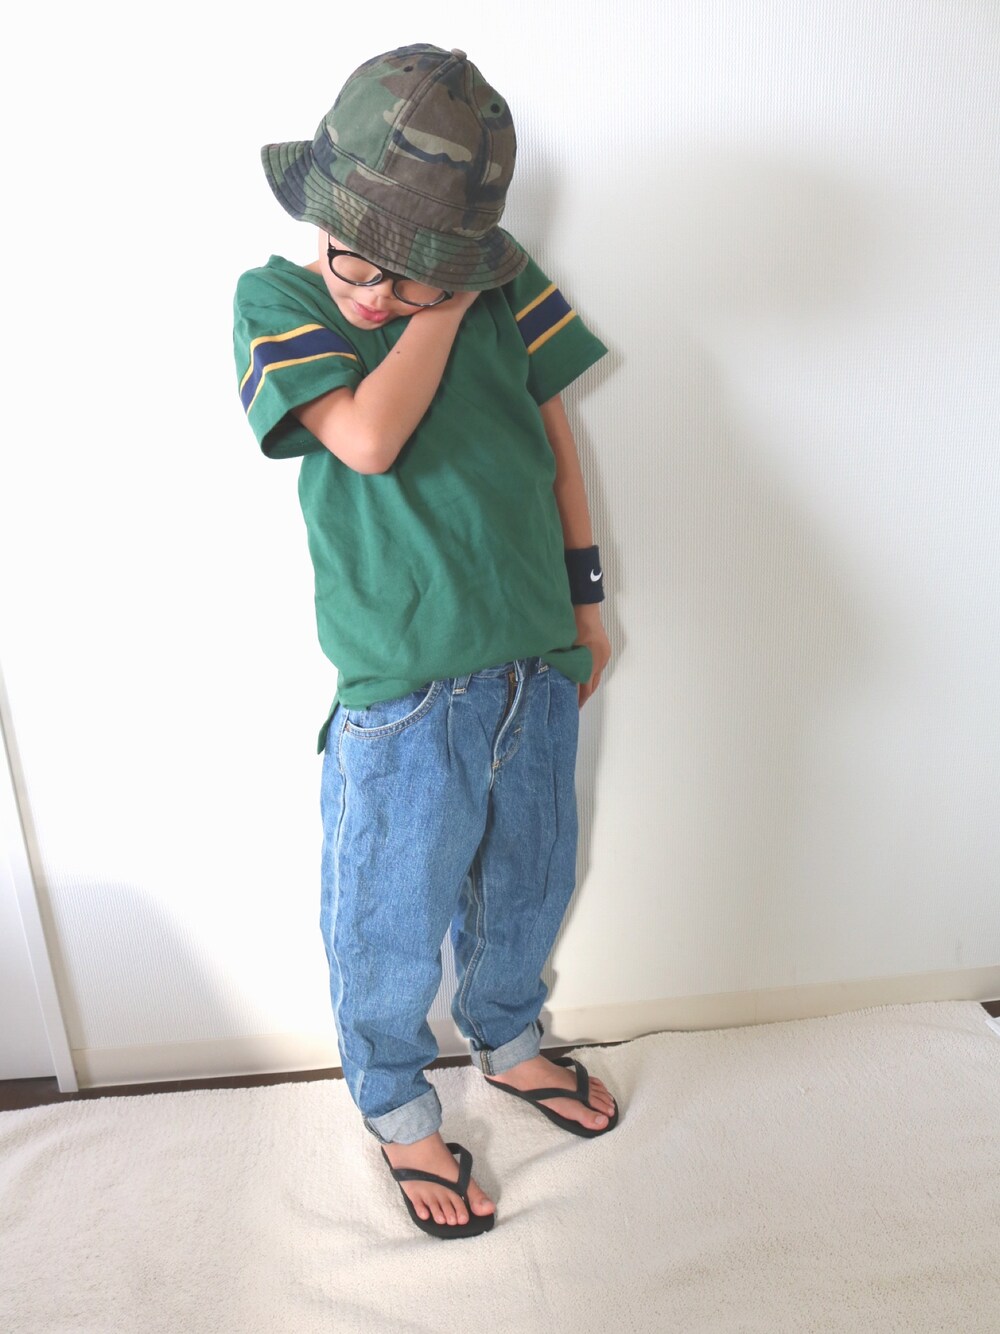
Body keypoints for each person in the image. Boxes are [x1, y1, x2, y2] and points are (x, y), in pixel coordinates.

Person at [232, 43, 618, 1239]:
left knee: (529, 877)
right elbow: (365, 439)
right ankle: (396, 1104)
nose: (372, 291)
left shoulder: (504, 285)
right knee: (388, 914)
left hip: (533, 656)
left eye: (409, 275)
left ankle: (508, 1036)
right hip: (404, 681)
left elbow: (554, 440)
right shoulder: (279, 299)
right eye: (357, 258)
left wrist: (586, 603)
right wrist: (436, 308)